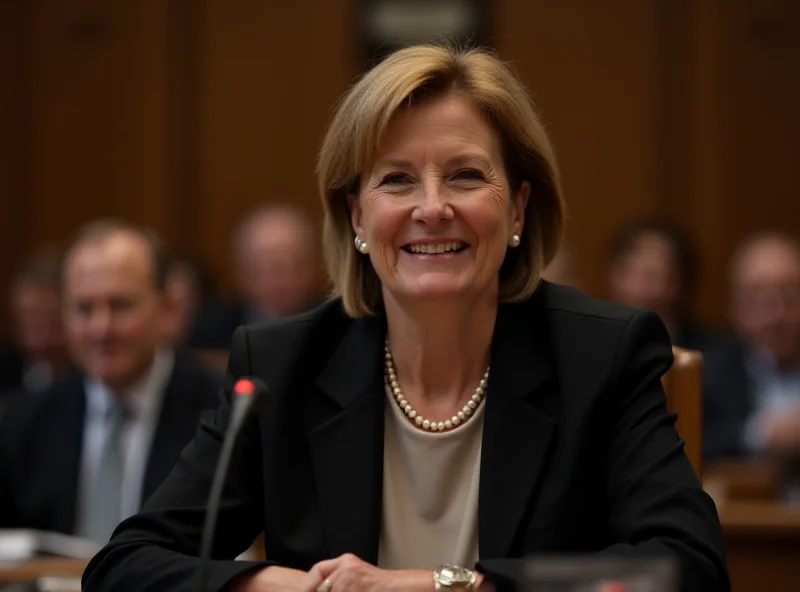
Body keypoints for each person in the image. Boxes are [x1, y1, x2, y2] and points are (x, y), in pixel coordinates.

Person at [82, 45, 728, 592]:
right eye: (395, 181)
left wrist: (435, 585)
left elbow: (683, 567)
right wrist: (276, 583)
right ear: (357, 218)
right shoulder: (283, 366)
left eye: (466, 175)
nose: (432, 208)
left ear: (520, 210)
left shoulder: (601, 356)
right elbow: (124, 567)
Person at [0, 220, 223, 543]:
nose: (100, 329)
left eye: (120, 306)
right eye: (84, 309)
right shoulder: (26, 421)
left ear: (168, 309)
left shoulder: (219, 414)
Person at [703, 232, 800, 463]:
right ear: (735, 308)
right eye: (757, 299)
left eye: (789, 296)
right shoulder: (708, 373)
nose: (775, 316)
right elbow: (689, 447)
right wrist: (758, 435)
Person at [189, 204, 320, 348]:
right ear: (245, 274)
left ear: (311, 269)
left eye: (296, 266)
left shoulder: (335, 325)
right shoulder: (208, 332)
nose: (285, 281)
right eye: (274, 269)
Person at [608, 219, 722, 353]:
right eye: (629, 270)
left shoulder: (713, 354)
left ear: (679, 282)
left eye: (653, 274)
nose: (640, 286)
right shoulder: (592, 343)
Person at [0, 248, 71, 396]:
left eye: (53, 326)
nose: (40, 341)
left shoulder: (99, 377)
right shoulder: (7, 369)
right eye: (29, 326)